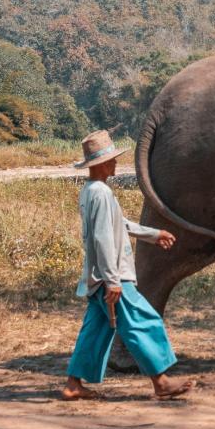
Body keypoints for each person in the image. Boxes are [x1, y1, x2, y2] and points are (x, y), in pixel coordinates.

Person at [61, 130, 193, 400]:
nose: (115, 163)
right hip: (112, 276)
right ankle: (161, 381)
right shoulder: (100, 193)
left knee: (95, 330)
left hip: (98, 278)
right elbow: (102, 237)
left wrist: (153, 234)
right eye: (111, 159)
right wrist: (113, 280)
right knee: (142, 322)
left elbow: (119, 225)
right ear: (99, 164)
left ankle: (73, 384)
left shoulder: (92, 191)